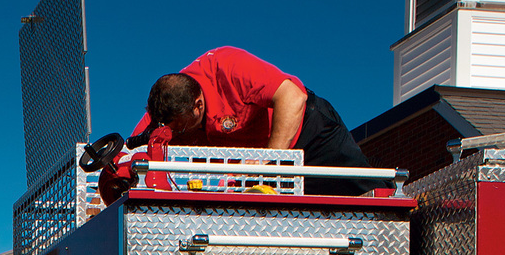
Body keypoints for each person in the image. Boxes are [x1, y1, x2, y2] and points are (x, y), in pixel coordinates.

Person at [134, 47, 378, 195]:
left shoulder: (227, 67)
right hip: (259, 168)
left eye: (183, 128)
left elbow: (292, 97)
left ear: (198, 105)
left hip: (309, 136)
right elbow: (130, 152)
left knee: (371, 198)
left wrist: (269, 162)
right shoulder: (167, 108)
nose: (179, 135)